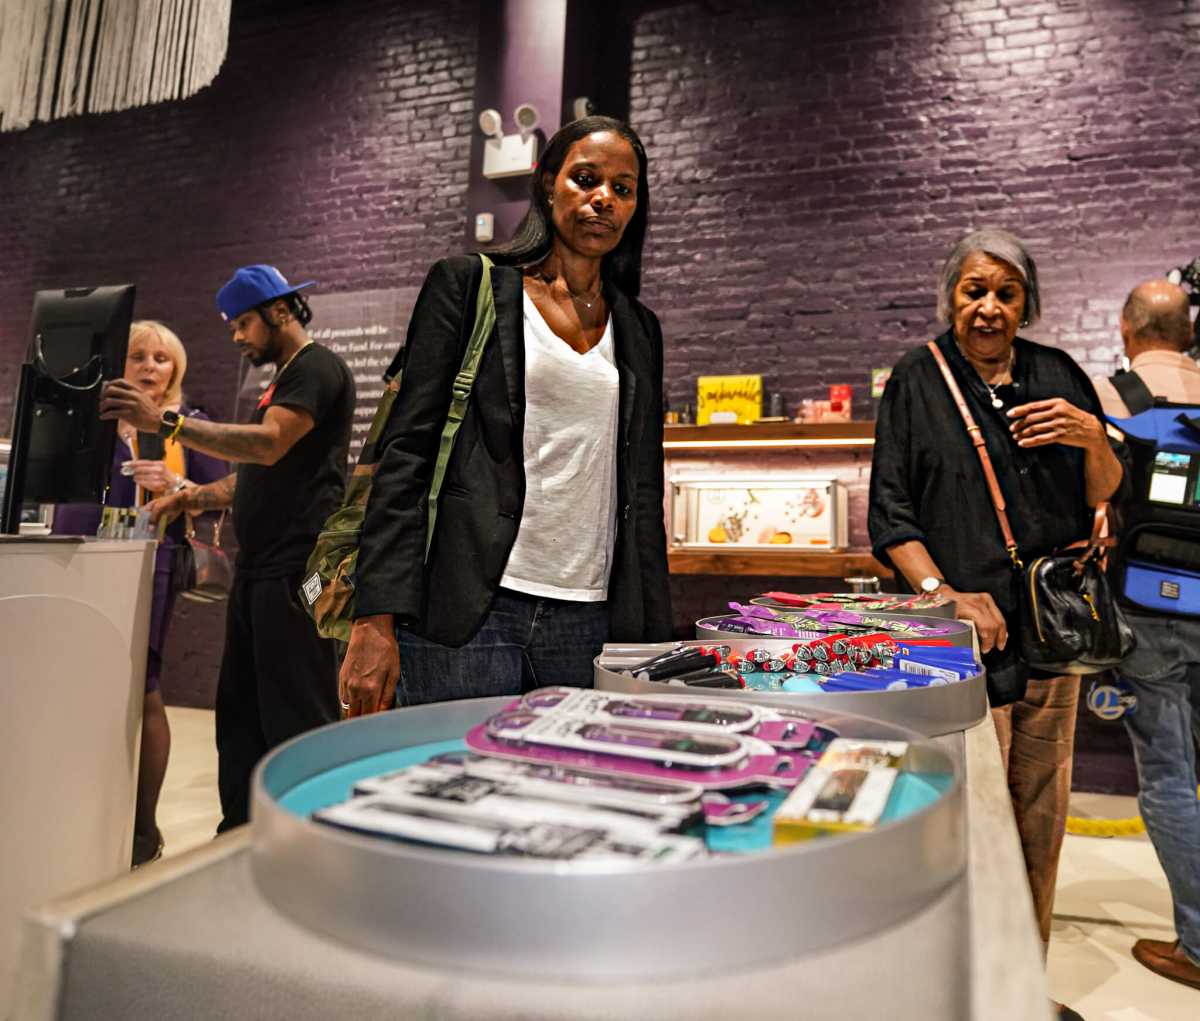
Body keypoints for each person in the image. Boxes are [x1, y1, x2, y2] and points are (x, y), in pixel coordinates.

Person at [868, 229, 1127, 1011]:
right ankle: (966, 987)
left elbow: (1102, 493)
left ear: (1027, 303)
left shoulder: (1058, 374)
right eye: (973, 290)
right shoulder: (917, 379)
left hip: (1051, 635)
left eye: (1005, 294)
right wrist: (944, 590)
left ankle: (1023, 986)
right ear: (951, 296)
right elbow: (890, 517)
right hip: (962, 650)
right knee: (972, 821)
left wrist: (1091, 436)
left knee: (1042, 818)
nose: (988, 308)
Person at [340, 115, 672, 717]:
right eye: (585, 179)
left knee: (576, 797)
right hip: (471, 608)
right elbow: (405, 456)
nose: (603, 199)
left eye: (623, 189)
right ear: (548, 185)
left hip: (591, 618)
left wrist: (652, 641)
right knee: (450, 792)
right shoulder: (468, 287)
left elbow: (644, 495)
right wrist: (375, 617)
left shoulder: (639, 328)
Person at [101, 266, 356, 832]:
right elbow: (251, 478)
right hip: (258, 569)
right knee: (240, 716)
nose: (237, 338)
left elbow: (267, 446)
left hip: (299, 570)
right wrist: (191, 497)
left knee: (296, 714)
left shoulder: (315, 369)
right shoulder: (280, 379)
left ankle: (306, 838)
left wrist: (166, 423)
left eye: (243, 324)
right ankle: (239, 836)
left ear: (280, 311)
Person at [55, 320, 227, 866]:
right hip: (84, 563)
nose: (151, 367)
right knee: (85, 689)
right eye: (138, 357)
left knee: (143, 686)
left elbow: (218, 497)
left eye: (162, 358)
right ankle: (82, 813)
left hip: (154, 566)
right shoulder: (92, 424)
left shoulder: (188, 425)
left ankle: (142, 828)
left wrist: (174, 486)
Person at [1092, 280, 1200, 991]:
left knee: (1168, 772)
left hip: (1148, 604)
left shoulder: (1115, 395)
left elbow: (1088, 493)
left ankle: (1197, 941)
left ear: (1129, 331)